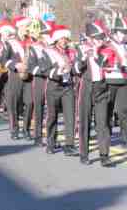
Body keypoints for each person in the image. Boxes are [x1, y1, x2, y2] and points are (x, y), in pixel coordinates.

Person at [76, 20, 113, 167]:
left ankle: (104, 155)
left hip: (101, 86)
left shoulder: (106, 50)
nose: (100, 40)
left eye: (101, 37)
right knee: (85, 120)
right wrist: (85, 56)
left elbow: (109, 65)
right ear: (90, 38)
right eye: (97, 37)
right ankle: (84, 153)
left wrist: (97, 52)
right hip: (87, 85)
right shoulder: (81, 49)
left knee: (103, 122)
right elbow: (77, 69)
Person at [41, 24, 78, 156]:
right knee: (52, 116)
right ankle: (51, 142)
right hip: (54, 86)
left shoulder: (71, 52)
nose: (64, 41)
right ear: (56, 39)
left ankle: (69, 145)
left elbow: (75, 69)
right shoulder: (48, 51)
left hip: (68, 86)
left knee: (70, 115)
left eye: (66, 39)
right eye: (61, 39)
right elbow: (44, 69)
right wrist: (58, 71)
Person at [106, 13, 127, 149]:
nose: (124, 35)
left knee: (123, 110)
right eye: (121, 32)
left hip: (123, 81)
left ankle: (124, 138)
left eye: (125, 32)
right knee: (108, 109)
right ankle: (106, 135)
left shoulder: (126, 46)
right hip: (110, 80)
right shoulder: (108, 44)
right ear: (115, 32)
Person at [3, 16, 33, 140]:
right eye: (26, 26)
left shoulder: (31, 41)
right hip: (15, 76)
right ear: (19, 27)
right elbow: (4, 60)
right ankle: (14, 129)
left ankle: (26, 129)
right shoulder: (10, 42)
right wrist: (15, 65)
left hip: (29, 76)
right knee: (13, 104)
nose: (27, 29)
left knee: (30, 103)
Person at [26, 18, 51, 146]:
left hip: (52, 81)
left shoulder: (53, 48)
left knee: (52, 110)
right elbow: (31, 67)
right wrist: (43, 71)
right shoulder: (34, 48)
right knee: (39, 108)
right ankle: (38, 136)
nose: (48, 36)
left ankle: (52, 138)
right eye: (46, 34)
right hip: (40, 80)